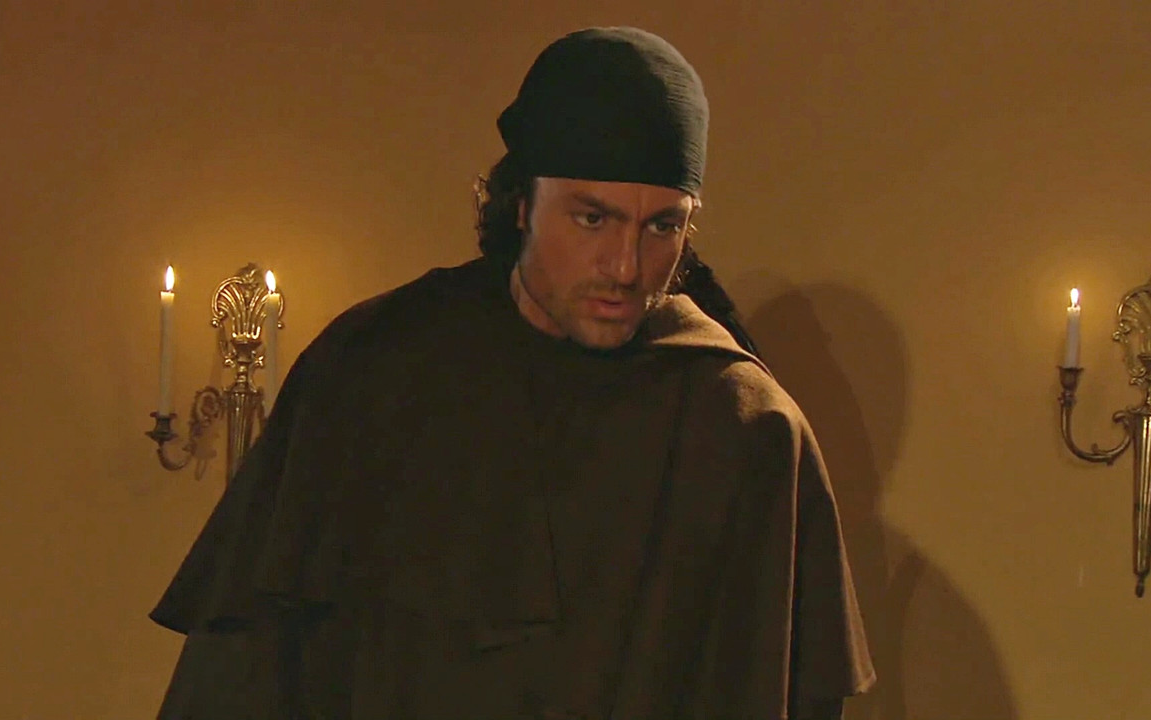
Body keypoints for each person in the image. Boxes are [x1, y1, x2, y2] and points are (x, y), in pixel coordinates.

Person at [150, 26, 875, 719]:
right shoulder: (375, 369)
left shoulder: (740, 424)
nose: (626, 267)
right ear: (521, 204)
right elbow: (243, 670)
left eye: (662, 226)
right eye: (592, 219)